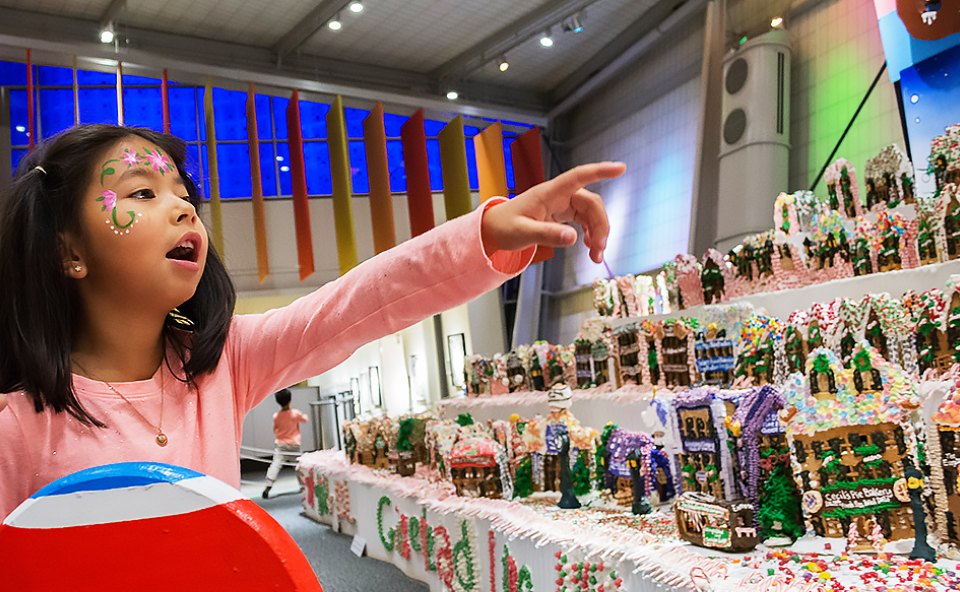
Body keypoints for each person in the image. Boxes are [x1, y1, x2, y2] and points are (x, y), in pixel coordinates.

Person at [0, 123, 623, 519]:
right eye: (142, 193)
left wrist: (482, 233)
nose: (183, 209)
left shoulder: (222, 363)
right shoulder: (16, 426)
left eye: (185, 194)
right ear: (69, 252)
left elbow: (359, 301)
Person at [262, 388, 307, 499]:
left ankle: (268, 486)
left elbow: (275, 429)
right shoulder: (295, 413)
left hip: (281, 445)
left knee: (275, 465)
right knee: (299, 467)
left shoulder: (276, 416)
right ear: (290, 399)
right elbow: (305, 419)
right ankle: (304, 486)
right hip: (294, 445)